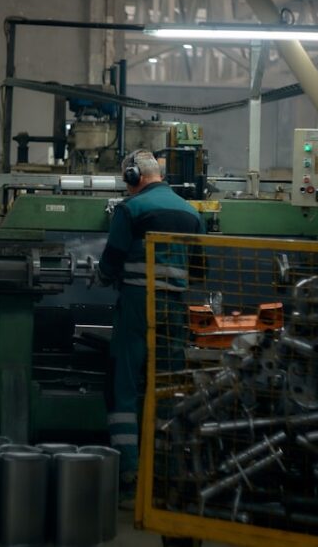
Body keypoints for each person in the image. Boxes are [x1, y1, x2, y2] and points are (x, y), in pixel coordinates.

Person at [97, 149, 205, 499]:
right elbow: (200, 270)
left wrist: (101, 276)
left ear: (134, 177)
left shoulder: (130, 209)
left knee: (124, 385)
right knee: (168, 387)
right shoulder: (192, 213)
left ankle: (129, 470)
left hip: (137, 304)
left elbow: (111, 261)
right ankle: (166, 470)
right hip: (174, 307)